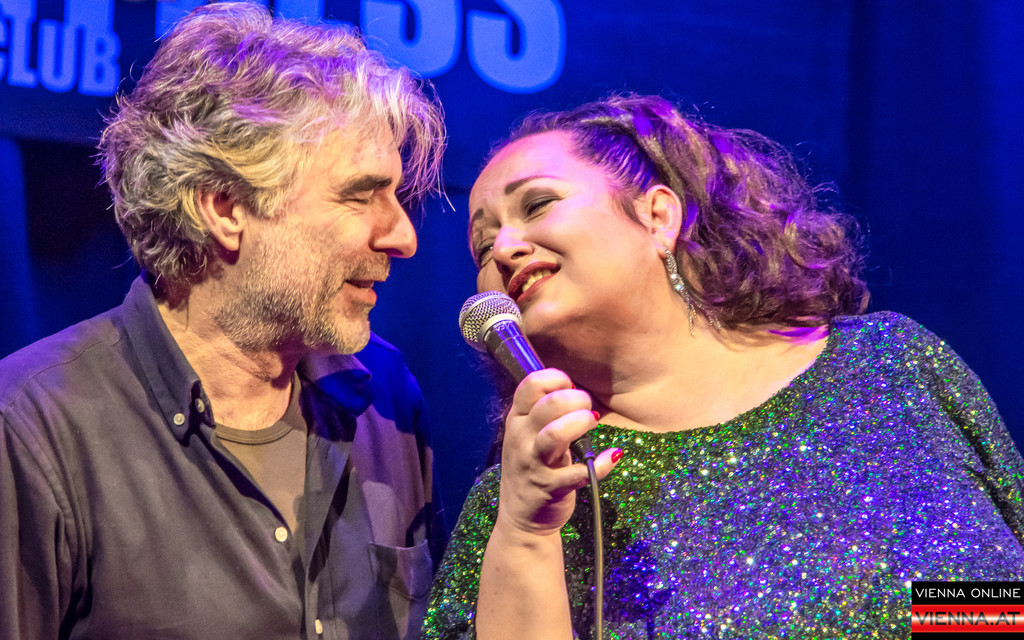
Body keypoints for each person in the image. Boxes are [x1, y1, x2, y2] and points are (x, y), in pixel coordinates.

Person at [422, 94, 1024, 639]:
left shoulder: (889, 365)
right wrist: (527, 535)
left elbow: (998, 604)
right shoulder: (533, 496)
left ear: (658, 216)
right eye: (483, 247)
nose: (504, 250)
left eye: (538, 204)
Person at [0, 3, 446, 639]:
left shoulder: (388, 396)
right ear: (225, 207)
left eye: (396, 196)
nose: (403, 237)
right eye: (360, 195)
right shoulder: (33, 426)